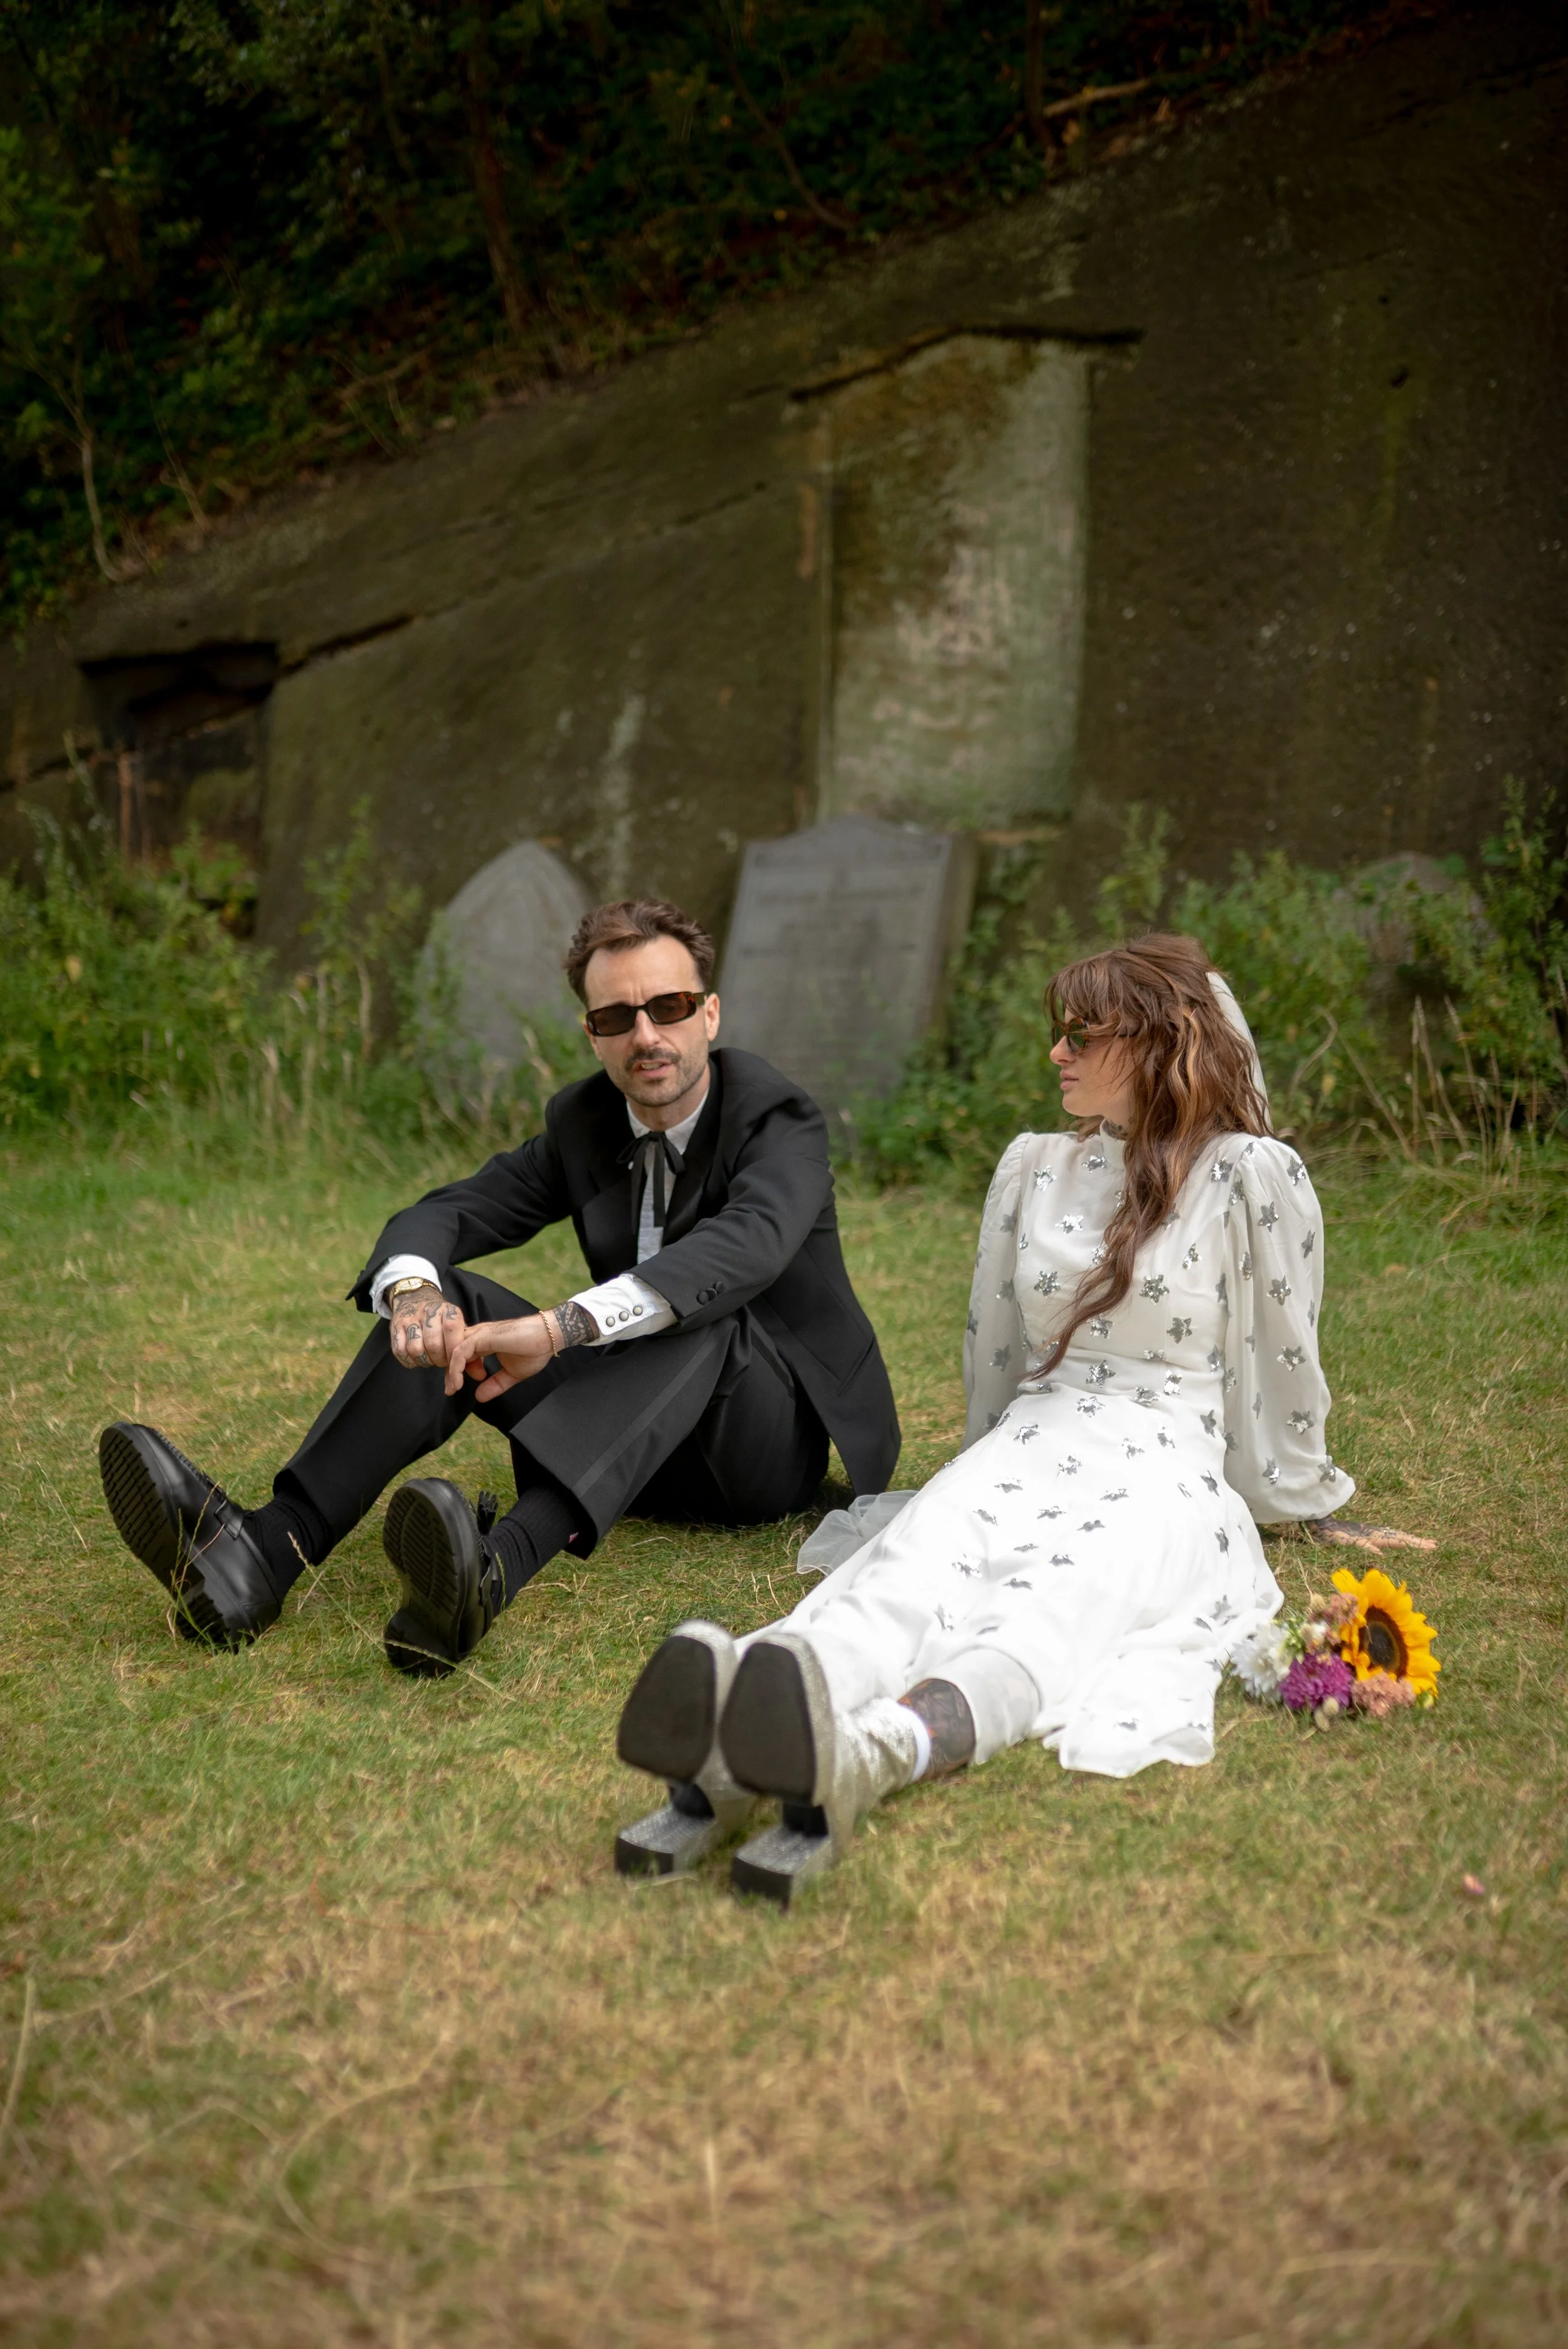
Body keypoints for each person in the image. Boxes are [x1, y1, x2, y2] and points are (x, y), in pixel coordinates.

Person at [613, 933, 1423, 1904]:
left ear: (1157, 1043)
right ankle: (739, 1724)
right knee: (914, 1570)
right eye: (1060, 1032)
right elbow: (995, 1349)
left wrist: (1298, 1497)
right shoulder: (1035, 1167)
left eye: (1083, 1034)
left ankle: (872, 1753)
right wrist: (972, 1477)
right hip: (1031, 1443)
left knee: (1048, 1607)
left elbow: (1280, 1359)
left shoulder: (1247, 1174)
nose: (1057, 1053)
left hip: (1162, 1468)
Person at [97, 897, 899, 1704]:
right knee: (451, 1294)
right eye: (617, 1017)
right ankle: (265, 1551)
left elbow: (747, 1246)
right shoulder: (585, 1122)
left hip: (755, 1451)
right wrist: (416, 1297)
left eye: (670, 1006)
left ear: (710, 1014)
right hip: (624, 1445)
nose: (646, 1035)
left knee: (704, 1312)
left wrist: (558, 1328)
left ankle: (497, 1567)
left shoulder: (776, 1117)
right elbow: (450, 1212)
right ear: (592, 1034)